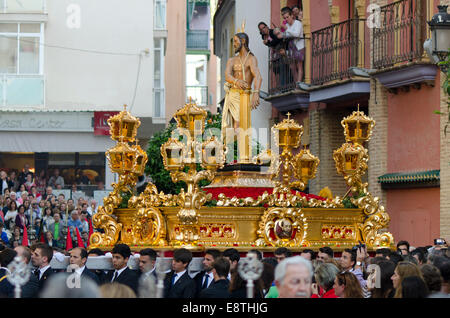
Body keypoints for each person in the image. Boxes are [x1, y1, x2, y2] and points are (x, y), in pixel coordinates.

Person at [222, 27, 262, 163]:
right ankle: (237, 155)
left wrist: (256, 93)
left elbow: (258, 76)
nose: (233, 44)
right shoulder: (231, 60)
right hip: (233, 95)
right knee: (235, 126)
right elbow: (227, 75)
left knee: (241, 125)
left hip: (245, 96)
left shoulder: (251, 59)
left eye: (235, 41)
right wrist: (236, 80)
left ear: (243, 41)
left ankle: (244, 156)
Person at [281, 6, 304, 83]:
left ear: (292, 16)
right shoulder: (287, 26)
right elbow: (286, 35)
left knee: (299, 66)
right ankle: (296, 83)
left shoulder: (298, 23)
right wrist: (283, 34)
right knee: (292, 67)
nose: (286, 19)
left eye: (287, 17)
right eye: (284, 18)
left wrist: (287, 30)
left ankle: (299, 83)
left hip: (299, 46)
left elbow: (297, 34)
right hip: (291, 47)